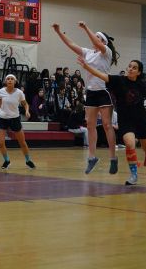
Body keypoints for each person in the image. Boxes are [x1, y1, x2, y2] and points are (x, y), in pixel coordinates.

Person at [78, 57, 146, 186]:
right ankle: (134, 175)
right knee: (129, 144)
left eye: (134, 68)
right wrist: (87, 67)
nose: (130, 69)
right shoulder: (119, 81)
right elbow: (101, 75)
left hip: (141, 119)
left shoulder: (142, 85)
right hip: (126, 120)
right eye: (129, 66)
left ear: (139, 72)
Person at [52, 21, 119, 175]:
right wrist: (58, 32)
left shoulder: (106, 52)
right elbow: (71, 44)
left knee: (108, 125)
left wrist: (85, 28)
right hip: (91, 93)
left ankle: (113, 158)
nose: (94, 39)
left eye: (98, 38)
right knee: (90, 125)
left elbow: (95, 41)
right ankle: (91, 158)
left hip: (103, 91)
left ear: (103, 42)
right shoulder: (88, 52)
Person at [0, 74, 36, 170]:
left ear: (15, 82)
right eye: (8, 79)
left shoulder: (19, 93)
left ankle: (28, 160)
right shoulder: (1, 91)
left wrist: (27, 111)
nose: (10, 80)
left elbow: (25, 104)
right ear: (5, 81)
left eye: (12, 79)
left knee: (22, 142)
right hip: (2, 118)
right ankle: (6, 161)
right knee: (1, 143)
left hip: (15, 118)